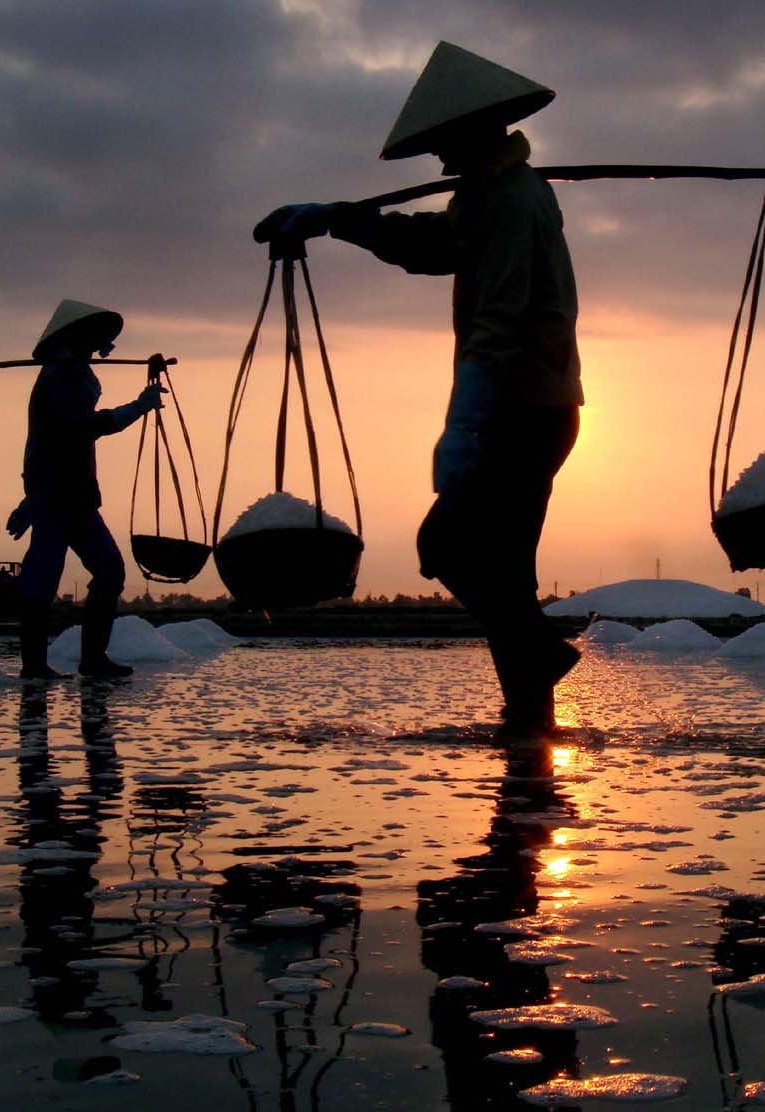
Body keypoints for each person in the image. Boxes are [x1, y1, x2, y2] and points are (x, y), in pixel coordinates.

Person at [258, 42, 584, 736]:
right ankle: (531, 728)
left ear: (473, 131)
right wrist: (338, 218)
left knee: (448, 546)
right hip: (533, 407)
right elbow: (432, 247)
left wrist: (463, 422)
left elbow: (497, 322)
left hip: (522, 408)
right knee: (506, 571)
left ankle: (535, 657)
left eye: (443, 144)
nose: (436, 161)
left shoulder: (511, 201)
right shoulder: (489, 195)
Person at [7, 300, 164, 680]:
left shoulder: (73, 372)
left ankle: (92, 659)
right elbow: (80, 428)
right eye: (92, 341)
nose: (98, 348)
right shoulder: (59, 377)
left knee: (109, 568)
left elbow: (73, 435)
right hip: (54, 493)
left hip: (74, 493)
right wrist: (137, 408)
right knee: (44, 575)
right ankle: (33, 666)